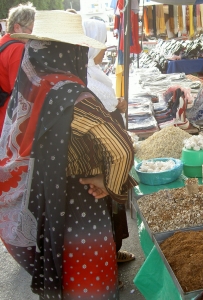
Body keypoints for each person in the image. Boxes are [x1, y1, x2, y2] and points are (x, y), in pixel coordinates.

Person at [0, 10, 136, 299]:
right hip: (79, 200)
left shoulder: (35, 86)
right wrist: (108, 183)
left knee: (61, 268)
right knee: (87, 273)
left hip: (47, 195)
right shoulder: (74, 95)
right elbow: (121, 149)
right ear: (72, 51)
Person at [83, 18, 133, 264]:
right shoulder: (85, 76)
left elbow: (108, 106)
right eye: (102, 44)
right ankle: (105, 265)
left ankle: (113, 254)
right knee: (105, 209)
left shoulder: (94, 72)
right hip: (101, 159)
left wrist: (117, 105)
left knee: (114, 208)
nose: (105, 49)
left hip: (108, 156)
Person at [0, 2, 35, 136]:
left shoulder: (3, 42)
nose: (33, 35)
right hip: (7, 119)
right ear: (17, 27)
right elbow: (19, 92)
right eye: (31, 30)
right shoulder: (17, 48)